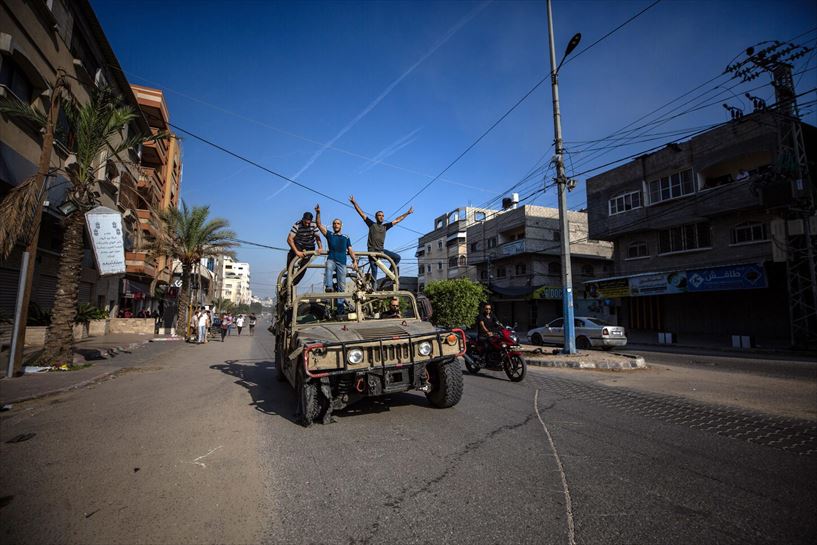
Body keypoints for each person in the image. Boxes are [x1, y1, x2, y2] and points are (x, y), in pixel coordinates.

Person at [349, 195, 413, 281]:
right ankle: (373, 287)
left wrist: (407, 213)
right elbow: (362, 214)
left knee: (397, 257)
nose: (381, 217)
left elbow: (397, 220)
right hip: (372, 251)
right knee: (374, 271)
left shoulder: (385, 227)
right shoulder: (372, 224)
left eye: (383, 215)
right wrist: (354, 203)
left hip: (381, 251)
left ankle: (389, 273)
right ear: (376, 217)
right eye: (379, 215)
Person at [315, 204, 358, 310]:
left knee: (341, 286)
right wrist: (318, 213)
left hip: (342, 262)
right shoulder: (330, 234)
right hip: (332, 259)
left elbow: (350, 250)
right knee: (328, 266)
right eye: (334, 223)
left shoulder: (346, 237)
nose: (336, 225)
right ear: (333, 226)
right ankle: (329, 287)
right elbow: (319, 224)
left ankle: (340, 309)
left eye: (338, 223)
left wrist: (354, 261)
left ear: (341, 225)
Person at [287, 211, 323, 285]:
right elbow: (289, 239)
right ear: (302, 219)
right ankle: (289, 273)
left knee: (304, 265)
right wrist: (297, 252)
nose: (307, 224)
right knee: (291, 255)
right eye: (305, 222)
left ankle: (293, 282)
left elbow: (317, 237)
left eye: (308, 223)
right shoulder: (297, 224)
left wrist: (320, 248)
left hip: (310, 245)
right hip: (299, 243)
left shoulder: (314, 225)